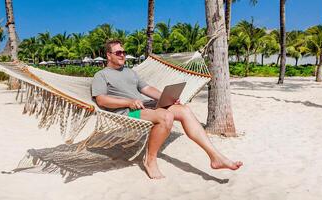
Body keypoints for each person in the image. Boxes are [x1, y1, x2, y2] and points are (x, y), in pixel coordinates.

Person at [91, 39, 242, 179]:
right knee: (166, 117)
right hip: (128, 112)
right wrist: (128, 102)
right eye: (118, 53)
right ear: (108, 55)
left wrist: (166, 97)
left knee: (184, 110)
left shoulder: (130, 72)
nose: (122, 55)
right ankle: (150, 160)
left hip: (146, 106)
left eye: (123, 52)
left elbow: (147, 88)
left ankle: (215, 157)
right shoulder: (101, 75)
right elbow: (101, 99)